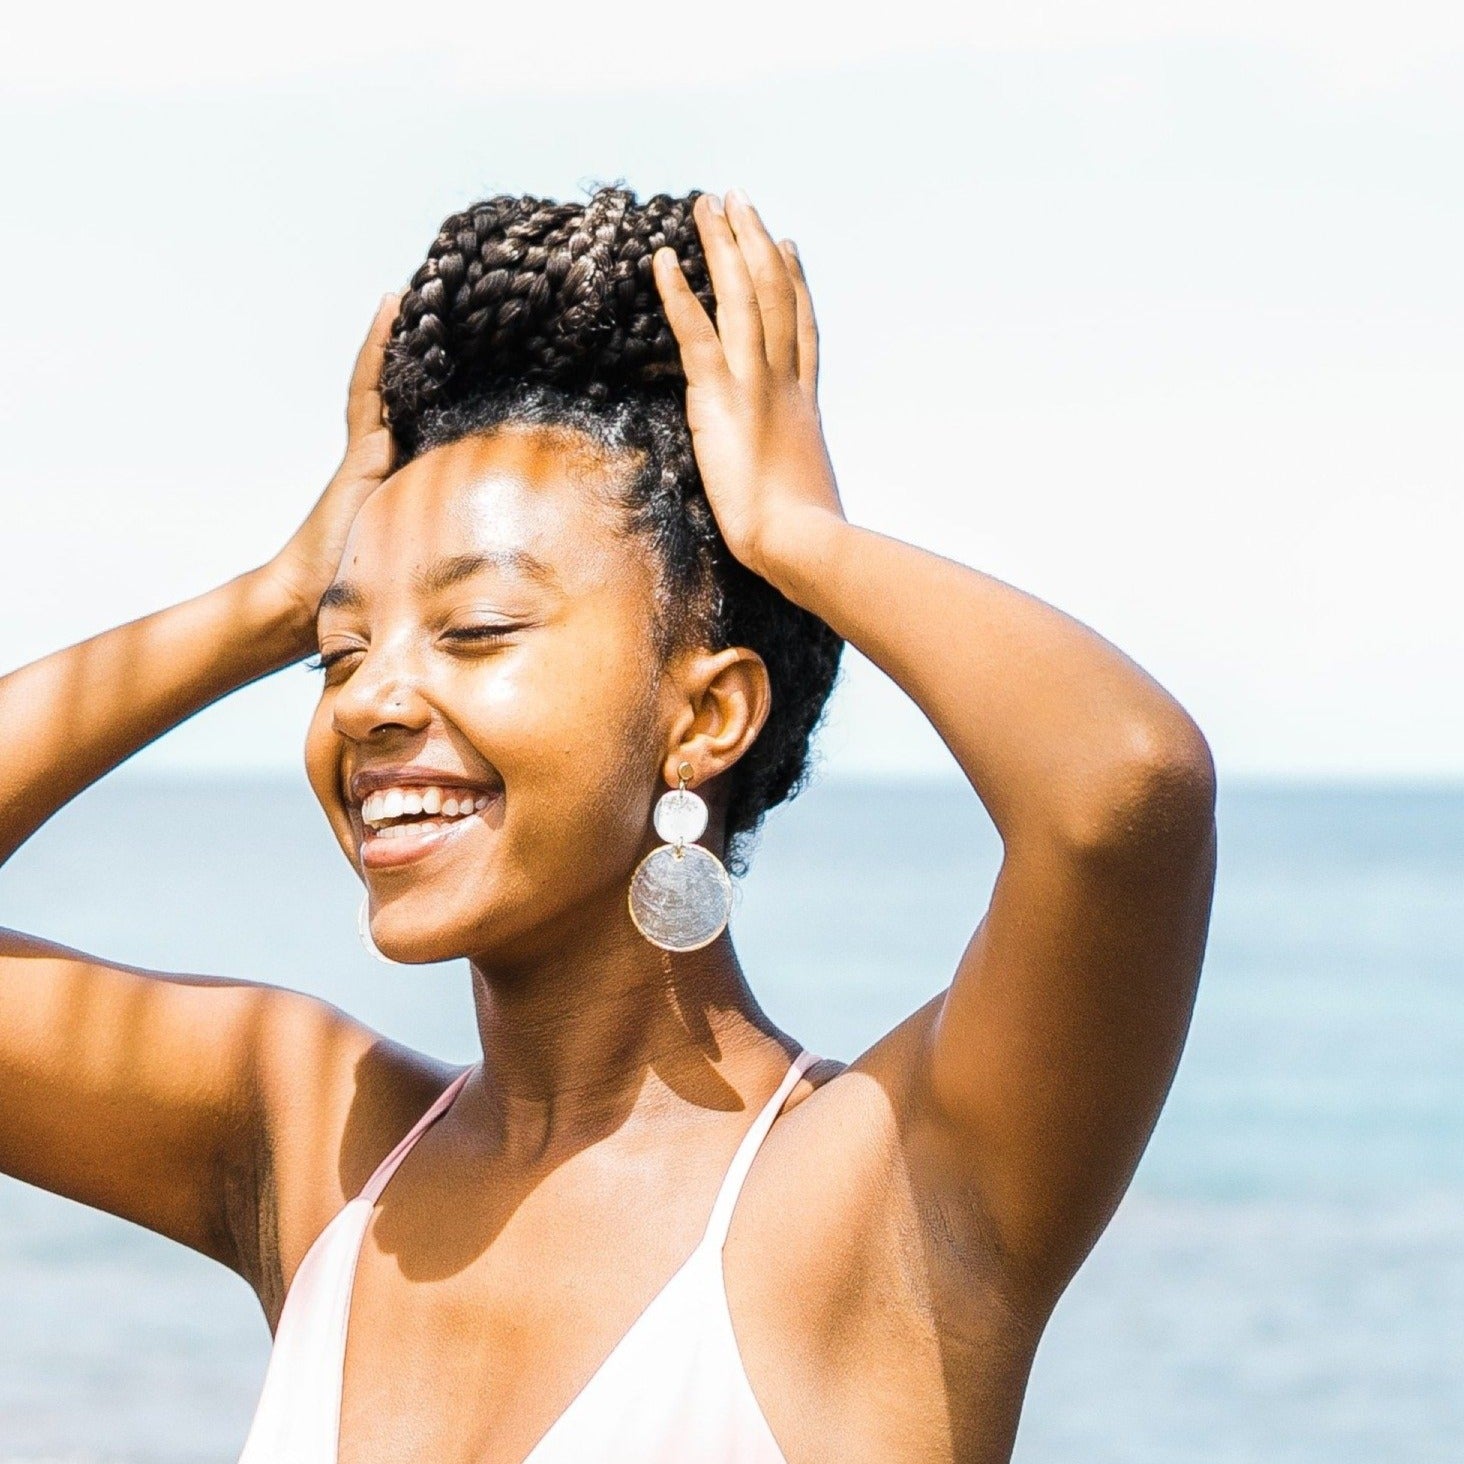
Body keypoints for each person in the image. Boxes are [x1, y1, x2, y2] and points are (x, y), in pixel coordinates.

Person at [0, 184, 1218, 1463]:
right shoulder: (314, 1148)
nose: (369, 700)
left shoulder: (884, 1200)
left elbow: (1122, 792)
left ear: (706, 717)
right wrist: (271, 596)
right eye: (338, 653)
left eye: (474, 631)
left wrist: (798, 540)